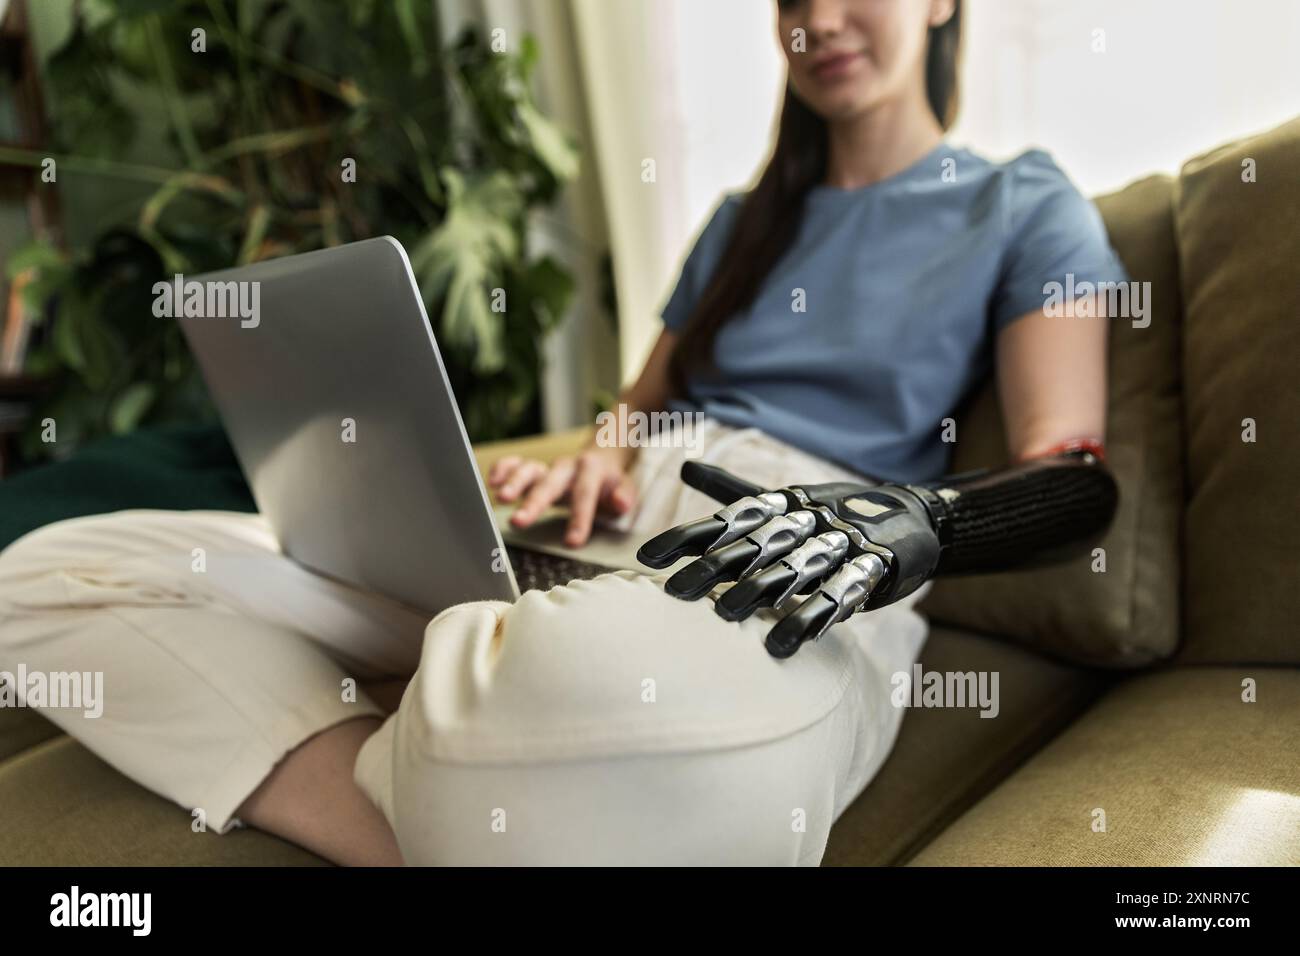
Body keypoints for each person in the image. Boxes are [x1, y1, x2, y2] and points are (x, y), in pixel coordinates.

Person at [0, 0, 1126, 865]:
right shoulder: (741, 223)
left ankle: (454, 717)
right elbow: (636, 411)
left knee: (587, 668)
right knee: (49, 571)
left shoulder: (1023, 202)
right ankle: (440, 791)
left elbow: (1068, 475)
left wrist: (899, 524)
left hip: (792, 552)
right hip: (604, 528)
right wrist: (596, 454)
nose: (817, 20)